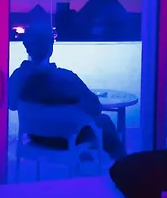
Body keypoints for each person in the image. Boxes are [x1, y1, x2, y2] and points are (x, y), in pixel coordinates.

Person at [9, 23, 123, 160]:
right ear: (50, 47)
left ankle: (83, 161)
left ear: (26, 47)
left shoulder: (17, 77)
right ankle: (124, 166)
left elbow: (12, 105)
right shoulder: (67, 78)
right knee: (104, 122)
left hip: (36, 138)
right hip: (67, 140)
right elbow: (95, 108)